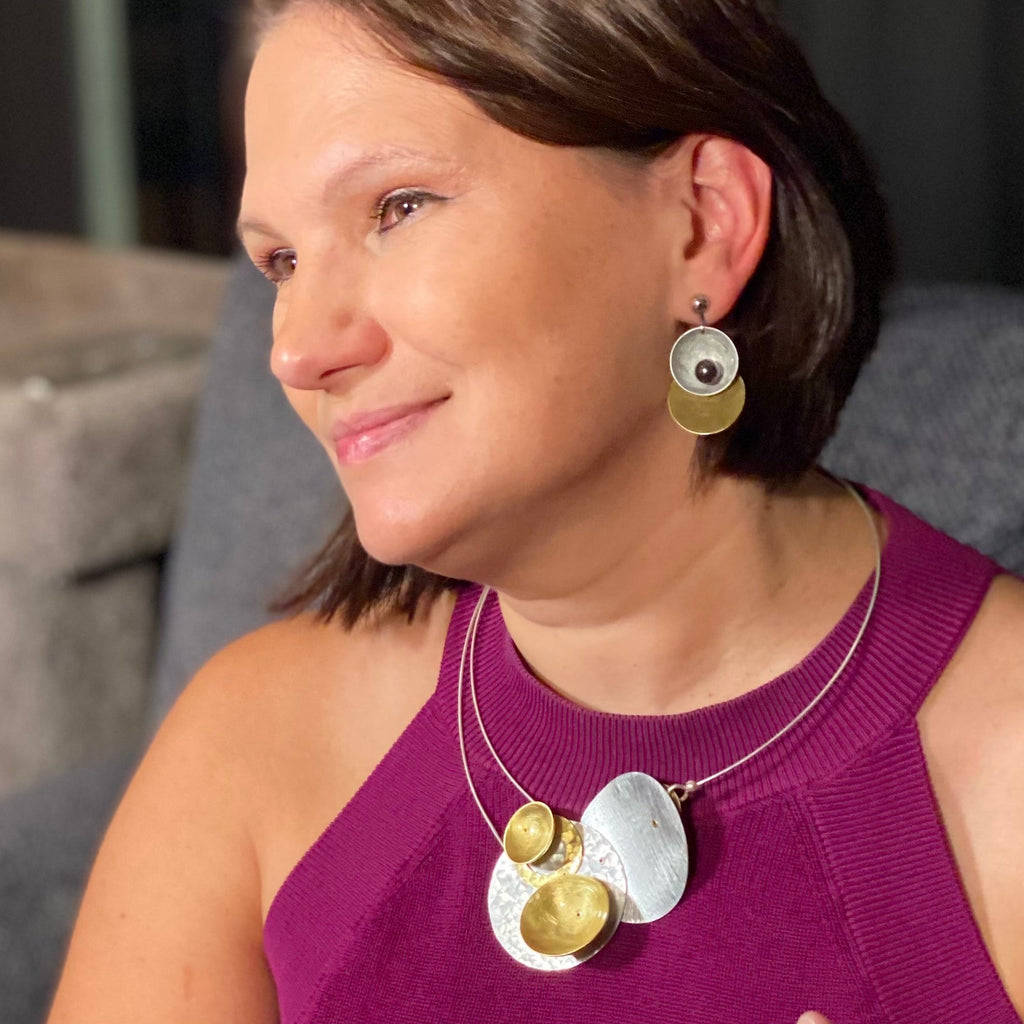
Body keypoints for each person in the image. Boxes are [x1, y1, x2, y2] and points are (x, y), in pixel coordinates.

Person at [46, 1, 1024, 1021]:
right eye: (281, 262)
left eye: (398, 208)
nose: (296, 350)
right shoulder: (248, 745)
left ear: (703, 223)